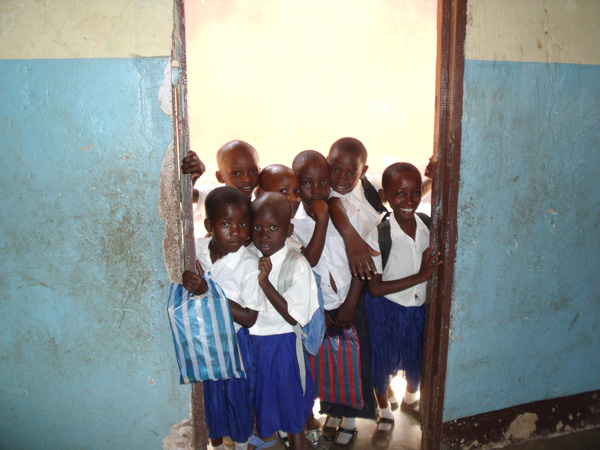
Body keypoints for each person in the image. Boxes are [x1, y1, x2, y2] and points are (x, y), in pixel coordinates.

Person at [291, 150, 377, 449]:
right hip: (318, 306)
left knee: (353, 360)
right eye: (306, 183)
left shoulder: (346, 213)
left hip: (350, 299)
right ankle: (328, 416)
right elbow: (304, 270)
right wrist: (318, 309)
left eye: (323, 181)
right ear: (295, 184)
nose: (316, 189)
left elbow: (361, 262)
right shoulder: (294, 221)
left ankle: (350, 421)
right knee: (326, 363)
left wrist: (350, 303)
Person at [364, 162, 442, 447]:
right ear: (385, 195)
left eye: (415, 193)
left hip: (417, 310)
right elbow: (374, 288)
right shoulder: (379, 235)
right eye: (399, 194)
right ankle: (384, 414)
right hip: (386, 310)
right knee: (381, 364)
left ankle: (410, 399)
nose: (408, 201)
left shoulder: (429, 225)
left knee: (416, 358)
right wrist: (421, 275)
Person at [181, 186, 263, 450]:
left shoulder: (249, 264)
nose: (236, 231)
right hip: (204, 343)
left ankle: (241, 444)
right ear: (209, 225)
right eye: (226, 224)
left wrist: (209, 293)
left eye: (243, 223)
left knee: (238, 401)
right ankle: (215, 443)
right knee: (211, 402)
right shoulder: (196, 250)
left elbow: (249, 317)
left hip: (235, 344)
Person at [248, 193, 320, 450]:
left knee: (292, 406)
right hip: (251, 345)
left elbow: (293, 315)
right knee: (259, 400)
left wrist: (265, 283)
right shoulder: (248, 256)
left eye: (273, 227)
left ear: (288, 229)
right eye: (257, 227)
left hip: (283, 347)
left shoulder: (297, 264)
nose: (264, 234)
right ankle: (265, 438)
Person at [326, 137, 387, 281]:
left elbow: (403, 198)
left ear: (363, 170)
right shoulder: (324, 194)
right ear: (326, 161)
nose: (341, 178)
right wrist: (352, 238)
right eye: (335, 169)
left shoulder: (373, 189)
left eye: (351, 173)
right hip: (346, 282)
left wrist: (431, 179)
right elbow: (334, 204)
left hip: (380, 277)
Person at [181, 140, 261, 237]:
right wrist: (194, 178)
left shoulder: (261, 201)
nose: (247, 179)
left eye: (253, 171)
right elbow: (186, 196)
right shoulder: (215, 195)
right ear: (220, 177)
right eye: (236, 173)